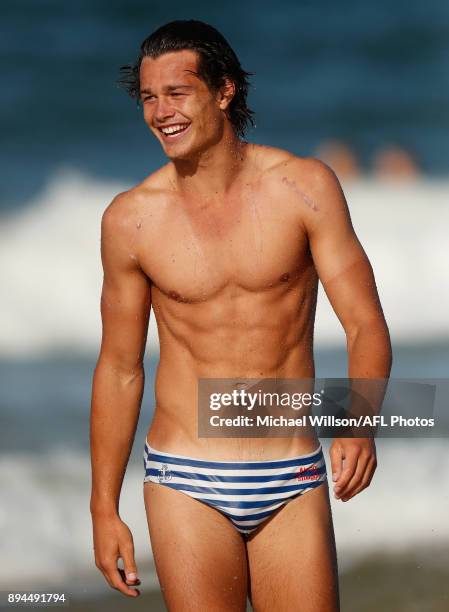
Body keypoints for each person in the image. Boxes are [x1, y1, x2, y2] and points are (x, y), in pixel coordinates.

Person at [89, 20, 392, 612]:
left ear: (224, 90)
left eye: (177, 93)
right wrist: (104, 507)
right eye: (149, 98)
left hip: (292, 472)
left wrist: (360, 422)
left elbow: (364, 324)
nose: (160, 113)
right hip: (184, 476)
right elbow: (120, 369)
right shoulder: (130, 220)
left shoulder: (303, 188)